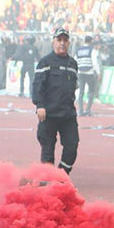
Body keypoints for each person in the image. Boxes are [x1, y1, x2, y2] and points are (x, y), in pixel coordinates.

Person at [32, 28, 79, 175]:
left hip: (68, 114)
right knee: (48, 149)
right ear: (54, 41)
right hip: (49, 114)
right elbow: (38, 85)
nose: (62, 43)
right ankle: (47, 179)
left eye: (65, 40)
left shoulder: (73, 63)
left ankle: (61, 175)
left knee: (72, 146)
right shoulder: (45, 62)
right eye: (59, 40)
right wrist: (40, 105)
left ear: (69, 42)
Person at [75, 35, 101, 116]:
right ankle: (88, 109)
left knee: (81, 92)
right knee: (91, 91)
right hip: (89, 73)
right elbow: (94, 62)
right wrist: (98, 72)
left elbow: (75, 61)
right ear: (90, 42)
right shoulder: (91, 50)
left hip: (80, 72)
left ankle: (81, 110)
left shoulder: (78, 50)